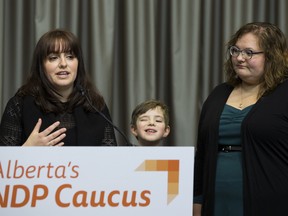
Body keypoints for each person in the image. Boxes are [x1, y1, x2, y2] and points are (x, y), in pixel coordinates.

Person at [193, 22, 288, 216]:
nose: (239, 58)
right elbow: (201, 155)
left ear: (271, 57)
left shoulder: (284, 94)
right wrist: (197, 200)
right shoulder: (219, 94)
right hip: (216, 202)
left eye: (249, 52)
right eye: (235, 50)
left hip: (271, 203)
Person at [0, 29, 117, 146]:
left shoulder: (95, 106)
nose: (63, 64)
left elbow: (111, 160)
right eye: (53, 58)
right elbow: (3, 163)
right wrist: (27, 149)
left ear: (78, 63)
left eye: (70, 57)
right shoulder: (19, 105)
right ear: (41, 66)